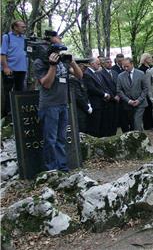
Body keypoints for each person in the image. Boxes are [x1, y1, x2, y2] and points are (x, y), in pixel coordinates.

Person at [33, 30, 83, 172]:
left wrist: (72, 61)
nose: (59, 43)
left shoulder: (63, 61)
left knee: (61, 139)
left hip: (63, 104)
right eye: (56, 42)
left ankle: (62, 167)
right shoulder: (40, 62)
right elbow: (46, 84)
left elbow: (79, 75)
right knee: (50, 140)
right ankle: (51, 169)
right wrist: (52, 65)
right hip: (49, 105)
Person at [1, 21, 28, 118]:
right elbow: (3, 53)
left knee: (19, 90)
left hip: (21, 69)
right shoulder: (6, 37)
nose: (24, 28)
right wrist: (5, 67)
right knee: (8, 91)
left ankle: (18, 113)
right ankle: (7, 114)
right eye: (22, 27)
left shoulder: (24, 39)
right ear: (15, 27)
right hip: (10, 69)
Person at [117, 57, 148, 131]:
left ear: (132, 64)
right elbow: (119, 90)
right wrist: (129, 101)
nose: (125, 68)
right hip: (128, 105)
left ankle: (139, 139)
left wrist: (139, 100)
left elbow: (145, 88)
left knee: (137, 122)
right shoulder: (120, 76)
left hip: (140, 103)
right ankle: (140, 137)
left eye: (127, 66)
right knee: (133, 123)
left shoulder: (141, 73)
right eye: (124, 66)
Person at [83, 57, 110, 137]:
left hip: (101, 103)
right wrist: (104, 94)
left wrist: (106, 93)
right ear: (92, 64)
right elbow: (91, 88)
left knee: (101, 125)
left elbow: (102, 86)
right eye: (97, 63)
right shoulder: (87, 73)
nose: (99, 65)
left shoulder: (96, 73)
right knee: (95, 126)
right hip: (94, 103)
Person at [99, 56, 120, 136]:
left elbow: (119, 85)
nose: (110, 64)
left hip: (117, 99)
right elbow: (104, 87)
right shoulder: (101, 73)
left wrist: (118, 95)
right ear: (103, 64)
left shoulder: (115, 73)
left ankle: (114, 134)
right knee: (109, 120)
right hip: (109, 101)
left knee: (115, 120)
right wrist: (113, 97)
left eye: (111, 62)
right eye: (107, 62)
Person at [69, 64, 92, 134]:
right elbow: (78, 96)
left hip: (84, 108)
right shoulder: (72, 80)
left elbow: (85, 92)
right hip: (78, 109)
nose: (82, 70)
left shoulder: (79, 78)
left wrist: (88, 103)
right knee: (81, 130)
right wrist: (87, 107)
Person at [138, 53, 153, 130]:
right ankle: (147, 125)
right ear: (145, 59)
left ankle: (152, 123)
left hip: (152, 90)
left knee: (152, 108)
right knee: (147, 108)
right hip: (145, 91)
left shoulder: (151, 67)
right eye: (149, 58)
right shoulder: (141, 69)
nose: (150, 59)